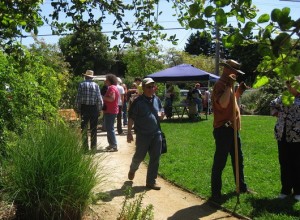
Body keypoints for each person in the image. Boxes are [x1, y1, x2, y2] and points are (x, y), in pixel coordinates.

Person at [210, 59, 253, 202]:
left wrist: (238, 92)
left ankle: (241, 186)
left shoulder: (229, 84)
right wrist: (229, 85)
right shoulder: (220, 85)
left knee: (238, 160)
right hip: (223, 129)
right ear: (227, 70)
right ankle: (216, 193)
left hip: (233, 129)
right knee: (220, 162)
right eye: (234, 71)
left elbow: (231, 101)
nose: (236, 74)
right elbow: (222, 103)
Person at [127, 77, 165, 190]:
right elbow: (131, 117)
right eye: (148, 87)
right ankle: (133, 169)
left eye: (152, 86)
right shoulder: (137, 102)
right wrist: (129, 133)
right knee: (139, 156)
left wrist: (162, 115)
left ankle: (151, 182)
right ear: (143, 88)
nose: (151, 89)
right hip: (143, 135)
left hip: (156, 133)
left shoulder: (157, 99)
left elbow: (161, 111)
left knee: (155, 158)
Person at [270, 77, 300, 201]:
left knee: (297, 163)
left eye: (291, 85)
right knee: (284, 162)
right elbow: (272, 104)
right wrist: (279, 115)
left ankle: (298, 191)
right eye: (288, 85)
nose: (289, 87)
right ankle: (285, 190)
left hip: (297, 135)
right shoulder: (283, 97)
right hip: (282, 134)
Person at [75, 70, 103, 151]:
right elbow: (99, 99)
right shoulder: (96, 85)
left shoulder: (81, 85)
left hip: (84, 108)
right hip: (94, 108)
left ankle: (85, 148)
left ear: (85, 76)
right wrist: (99, 109)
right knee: (94, 129)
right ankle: (93, 148)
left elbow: (78, 98)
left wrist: (77, 108)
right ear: (92, 77)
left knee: (84, 129)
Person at [103, 74, 120, 152]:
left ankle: (114, 145)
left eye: (106, 79)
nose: (105, 81)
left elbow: (112, 99)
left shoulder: (111, 88)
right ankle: (111, 144)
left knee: (110, 128)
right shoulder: (114, 87)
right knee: (109, 128)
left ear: (110, 80)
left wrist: (102, 97)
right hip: (111, 110)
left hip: (110, 110)